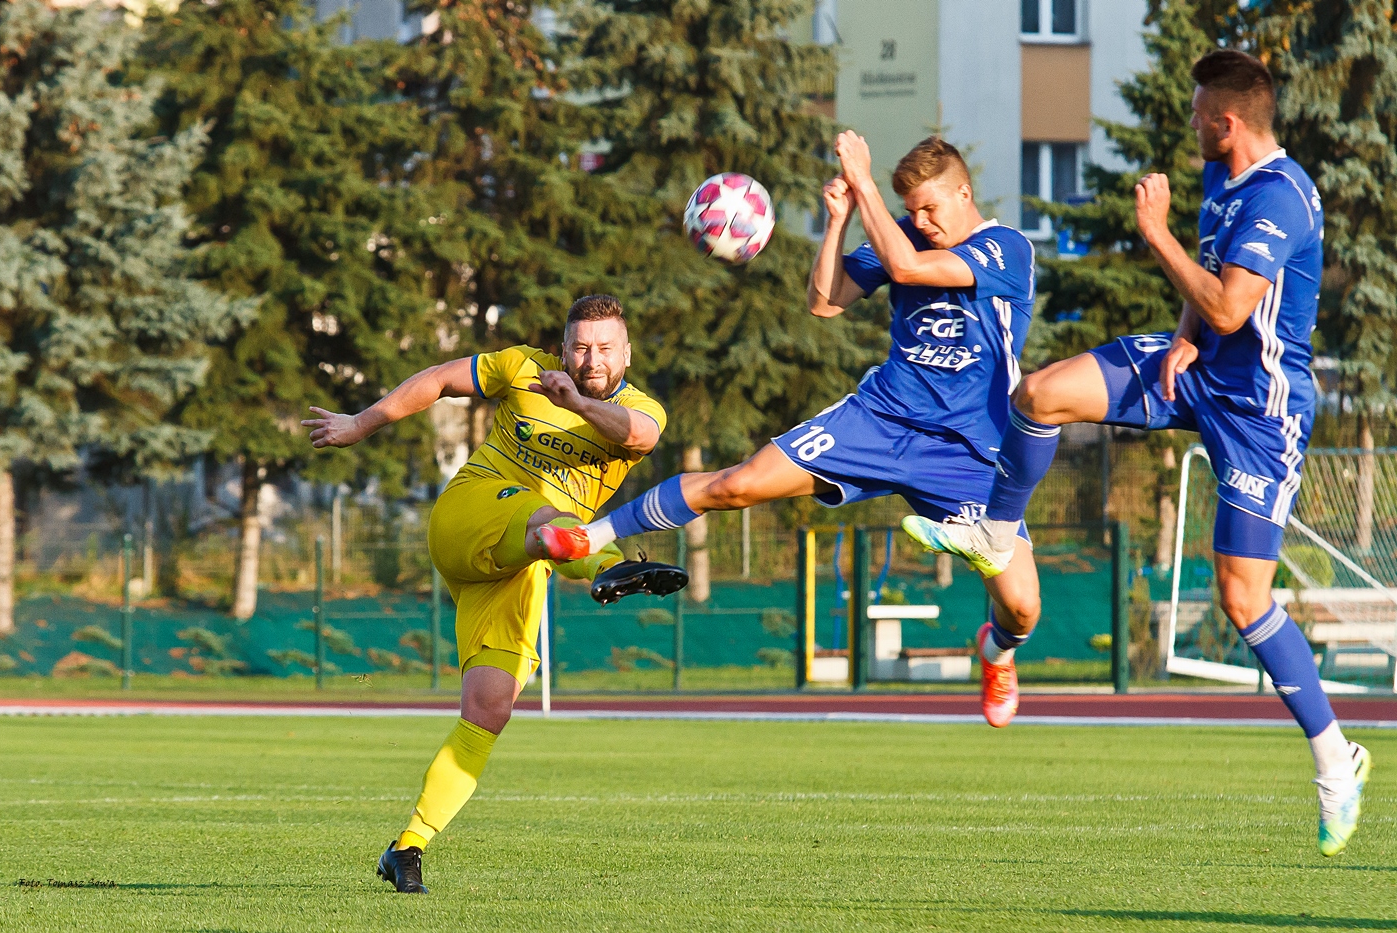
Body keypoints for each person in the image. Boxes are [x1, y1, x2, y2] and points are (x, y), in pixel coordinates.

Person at [905, 50, 1369, 856]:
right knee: (1039, 393)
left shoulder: (1281, 195)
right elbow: (1211, 299)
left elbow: (1230, 305)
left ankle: (1336, 757)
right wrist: (1185, 338)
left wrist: (1154, 237)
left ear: (1228, 123)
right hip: (1193, 372)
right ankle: (993, 530)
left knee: (1242, 597)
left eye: (1197, 114)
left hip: (1261, 408)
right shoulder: (1223, 182)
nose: (1190, 123)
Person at [536, 132, 1043, 727]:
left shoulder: (1007, 248)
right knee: (736, 484)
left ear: (965, 191)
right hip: (880, 419)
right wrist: (838, 221)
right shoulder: (898, 234)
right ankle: (591, 538)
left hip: (968, 451)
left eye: (931, 207)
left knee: (1022, 607)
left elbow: (909, 268)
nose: (921, 221)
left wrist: (865, 180)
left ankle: (996, 652)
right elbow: (825, 302)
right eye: (912, 212)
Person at [303, 295, 686, 893]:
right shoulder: (522, 367)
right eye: (581, 347)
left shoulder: (642, 408)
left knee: (489, 708)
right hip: (473, 513)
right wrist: (360, 423)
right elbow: (436, 380)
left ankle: (407, 847)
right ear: (562, 348)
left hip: (528, 560)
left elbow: (638, 438)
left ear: (626, 353)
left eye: (605, 348)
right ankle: (612, 567)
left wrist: (577, 404)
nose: (592, 360)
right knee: (551, 523)